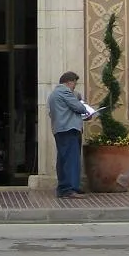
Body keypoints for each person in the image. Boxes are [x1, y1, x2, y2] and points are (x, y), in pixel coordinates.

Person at [47, 70, 96, 198]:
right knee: (71, 160)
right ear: (69, 82)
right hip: (69, 130)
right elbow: (79, 108)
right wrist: (85, 109)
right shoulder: (65, 92)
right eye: (75, 83)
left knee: (63, 160)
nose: (75, 86)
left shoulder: (53, 95)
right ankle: (70, 189)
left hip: (60, 130)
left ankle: (63, 188)